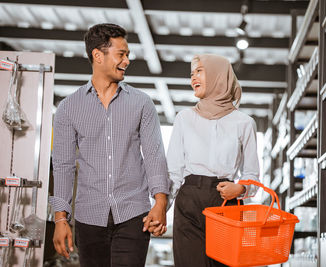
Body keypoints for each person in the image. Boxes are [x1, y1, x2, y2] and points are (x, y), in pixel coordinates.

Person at [50, 23, 169, 267]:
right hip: (88, 216)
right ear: (98, 55)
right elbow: (63, 165)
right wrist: (60, 219)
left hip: (134, 214)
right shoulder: (68, 108)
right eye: (121, 54)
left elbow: (154, 155)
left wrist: (160, 202)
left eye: (128, 55)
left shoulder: (142, 103)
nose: (127, 60)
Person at [167, 54, 260, 267]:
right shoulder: (184, 118)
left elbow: (252, 175)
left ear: (219, 75)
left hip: (226, 201)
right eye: (191, 74)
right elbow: (174, 171)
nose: (193, 78)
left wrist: (242, 190)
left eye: (199, 71)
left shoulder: (244, 123)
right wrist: (161, 208)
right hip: (189, 201)